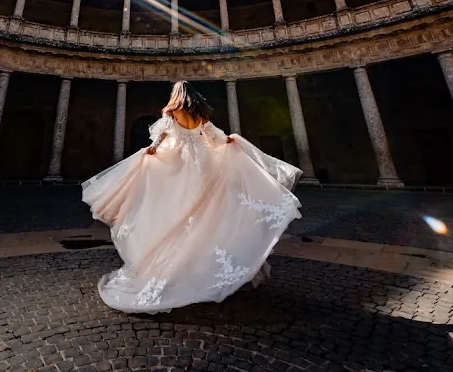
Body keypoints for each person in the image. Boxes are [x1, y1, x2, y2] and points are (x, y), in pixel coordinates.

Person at [81, 80, 303, 313]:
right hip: (203, 168)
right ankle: (204, 266)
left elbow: (158, 141)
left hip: (179, 168)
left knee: (177, 215)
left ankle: (179, 267)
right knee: (207, 216)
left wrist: (149, 153)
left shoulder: (171, 114)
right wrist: (233, 142)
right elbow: (217, 139)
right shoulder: (200, 116)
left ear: (175, 96)